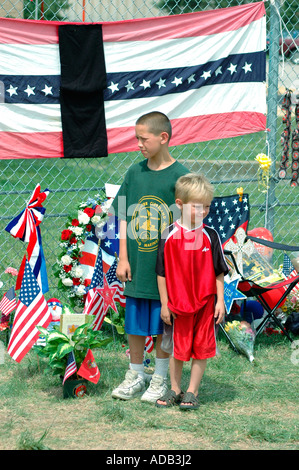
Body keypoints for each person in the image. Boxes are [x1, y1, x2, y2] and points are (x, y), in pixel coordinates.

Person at [111, 111, 189, 402]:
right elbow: (120, 215)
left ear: (163, 137)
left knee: (162, 323)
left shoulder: (181, 176)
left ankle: (158, 377)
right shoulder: (134, 172)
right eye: (137, 139)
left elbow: (186, 227)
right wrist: (122, 257)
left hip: (164, 270)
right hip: (135, 265)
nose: (139, 144)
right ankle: (135, 374)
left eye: (143, 139)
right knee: (133, 321)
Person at [155, 173, 229, 410]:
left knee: (202, 347)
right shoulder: (168, 235)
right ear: (179, 204)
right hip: (178, 305)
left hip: (206, 303)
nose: (203, 211)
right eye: (197, 206)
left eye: (207, 206)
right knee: (179, 347)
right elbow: (161, 274)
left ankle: (192, 391)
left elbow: (219, 272)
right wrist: (165, 304)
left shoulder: (211, 235)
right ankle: (175, 389)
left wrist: (220, 301)